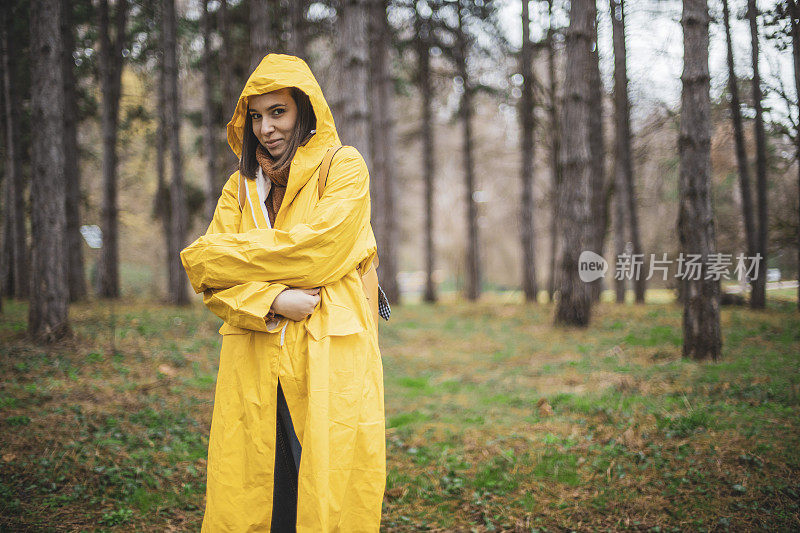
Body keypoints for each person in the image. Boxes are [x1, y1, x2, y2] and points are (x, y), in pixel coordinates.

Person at [180, 54, 386, 532]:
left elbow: (318, 253)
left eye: (279, 112)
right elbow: (212, 282)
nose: (267, 127)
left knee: (326, 483)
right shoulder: (239, 189)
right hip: (254, 350)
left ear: (304, 111)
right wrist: (270, 301)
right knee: (259, 487)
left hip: (328, 351)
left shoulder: (344, 168)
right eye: (256, 115)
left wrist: (219, 256)